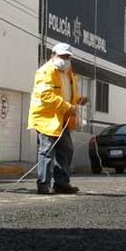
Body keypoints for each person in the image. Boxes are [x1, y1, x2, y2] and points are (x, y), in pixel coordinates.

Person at [29, 43, 88, 195]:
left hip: (63, 118)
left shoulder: (68, 72)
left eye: (68, 57)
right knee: (47, 151)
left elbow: (68, 93)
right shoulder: (45, 72)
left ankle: (62, 184)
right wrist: (68, 107)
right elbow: (46, 95)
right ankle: (43, 185)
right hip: (47, 118)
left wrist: (79, 100)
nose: (65, 59)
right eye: (62, 56)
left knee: (66, 150)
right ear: (53, 55)